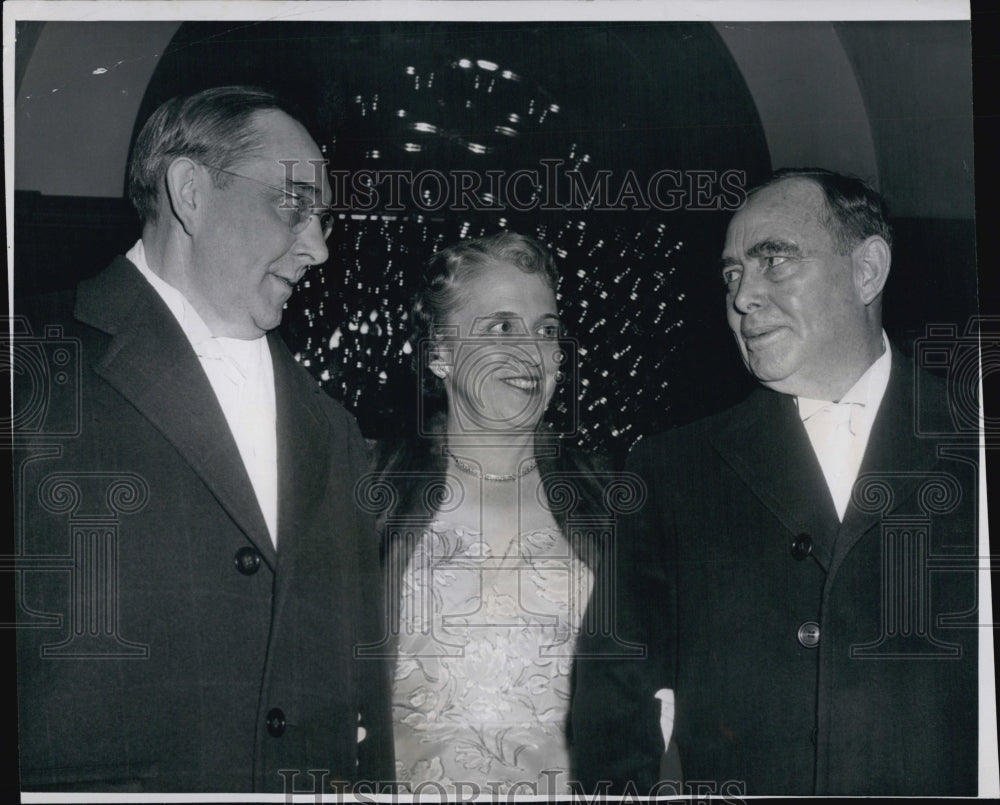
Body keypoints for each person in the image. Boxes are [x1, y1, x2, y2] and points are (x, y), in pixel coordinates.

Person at [14, 86, 394, 792]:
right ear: (190, 191)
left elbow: (357, 694)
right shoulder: (28, 363)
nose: (316, 247)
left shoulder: (334, 429)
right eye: (293, 205)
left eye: (324, 219)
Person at [569, 169, 979, 795]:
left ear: (868, 270)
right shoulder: (672, 469)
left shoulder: (974, 442)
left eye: (774, 262)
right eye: (732, 274)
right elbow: (612, 713)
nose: (742, 297)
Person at [365, 232, 619, 795]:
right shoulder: (369, 487)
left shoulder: (612, 496)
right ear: (439, 351)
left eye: (547, 330)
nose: (532, 353)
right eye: (502, 327)